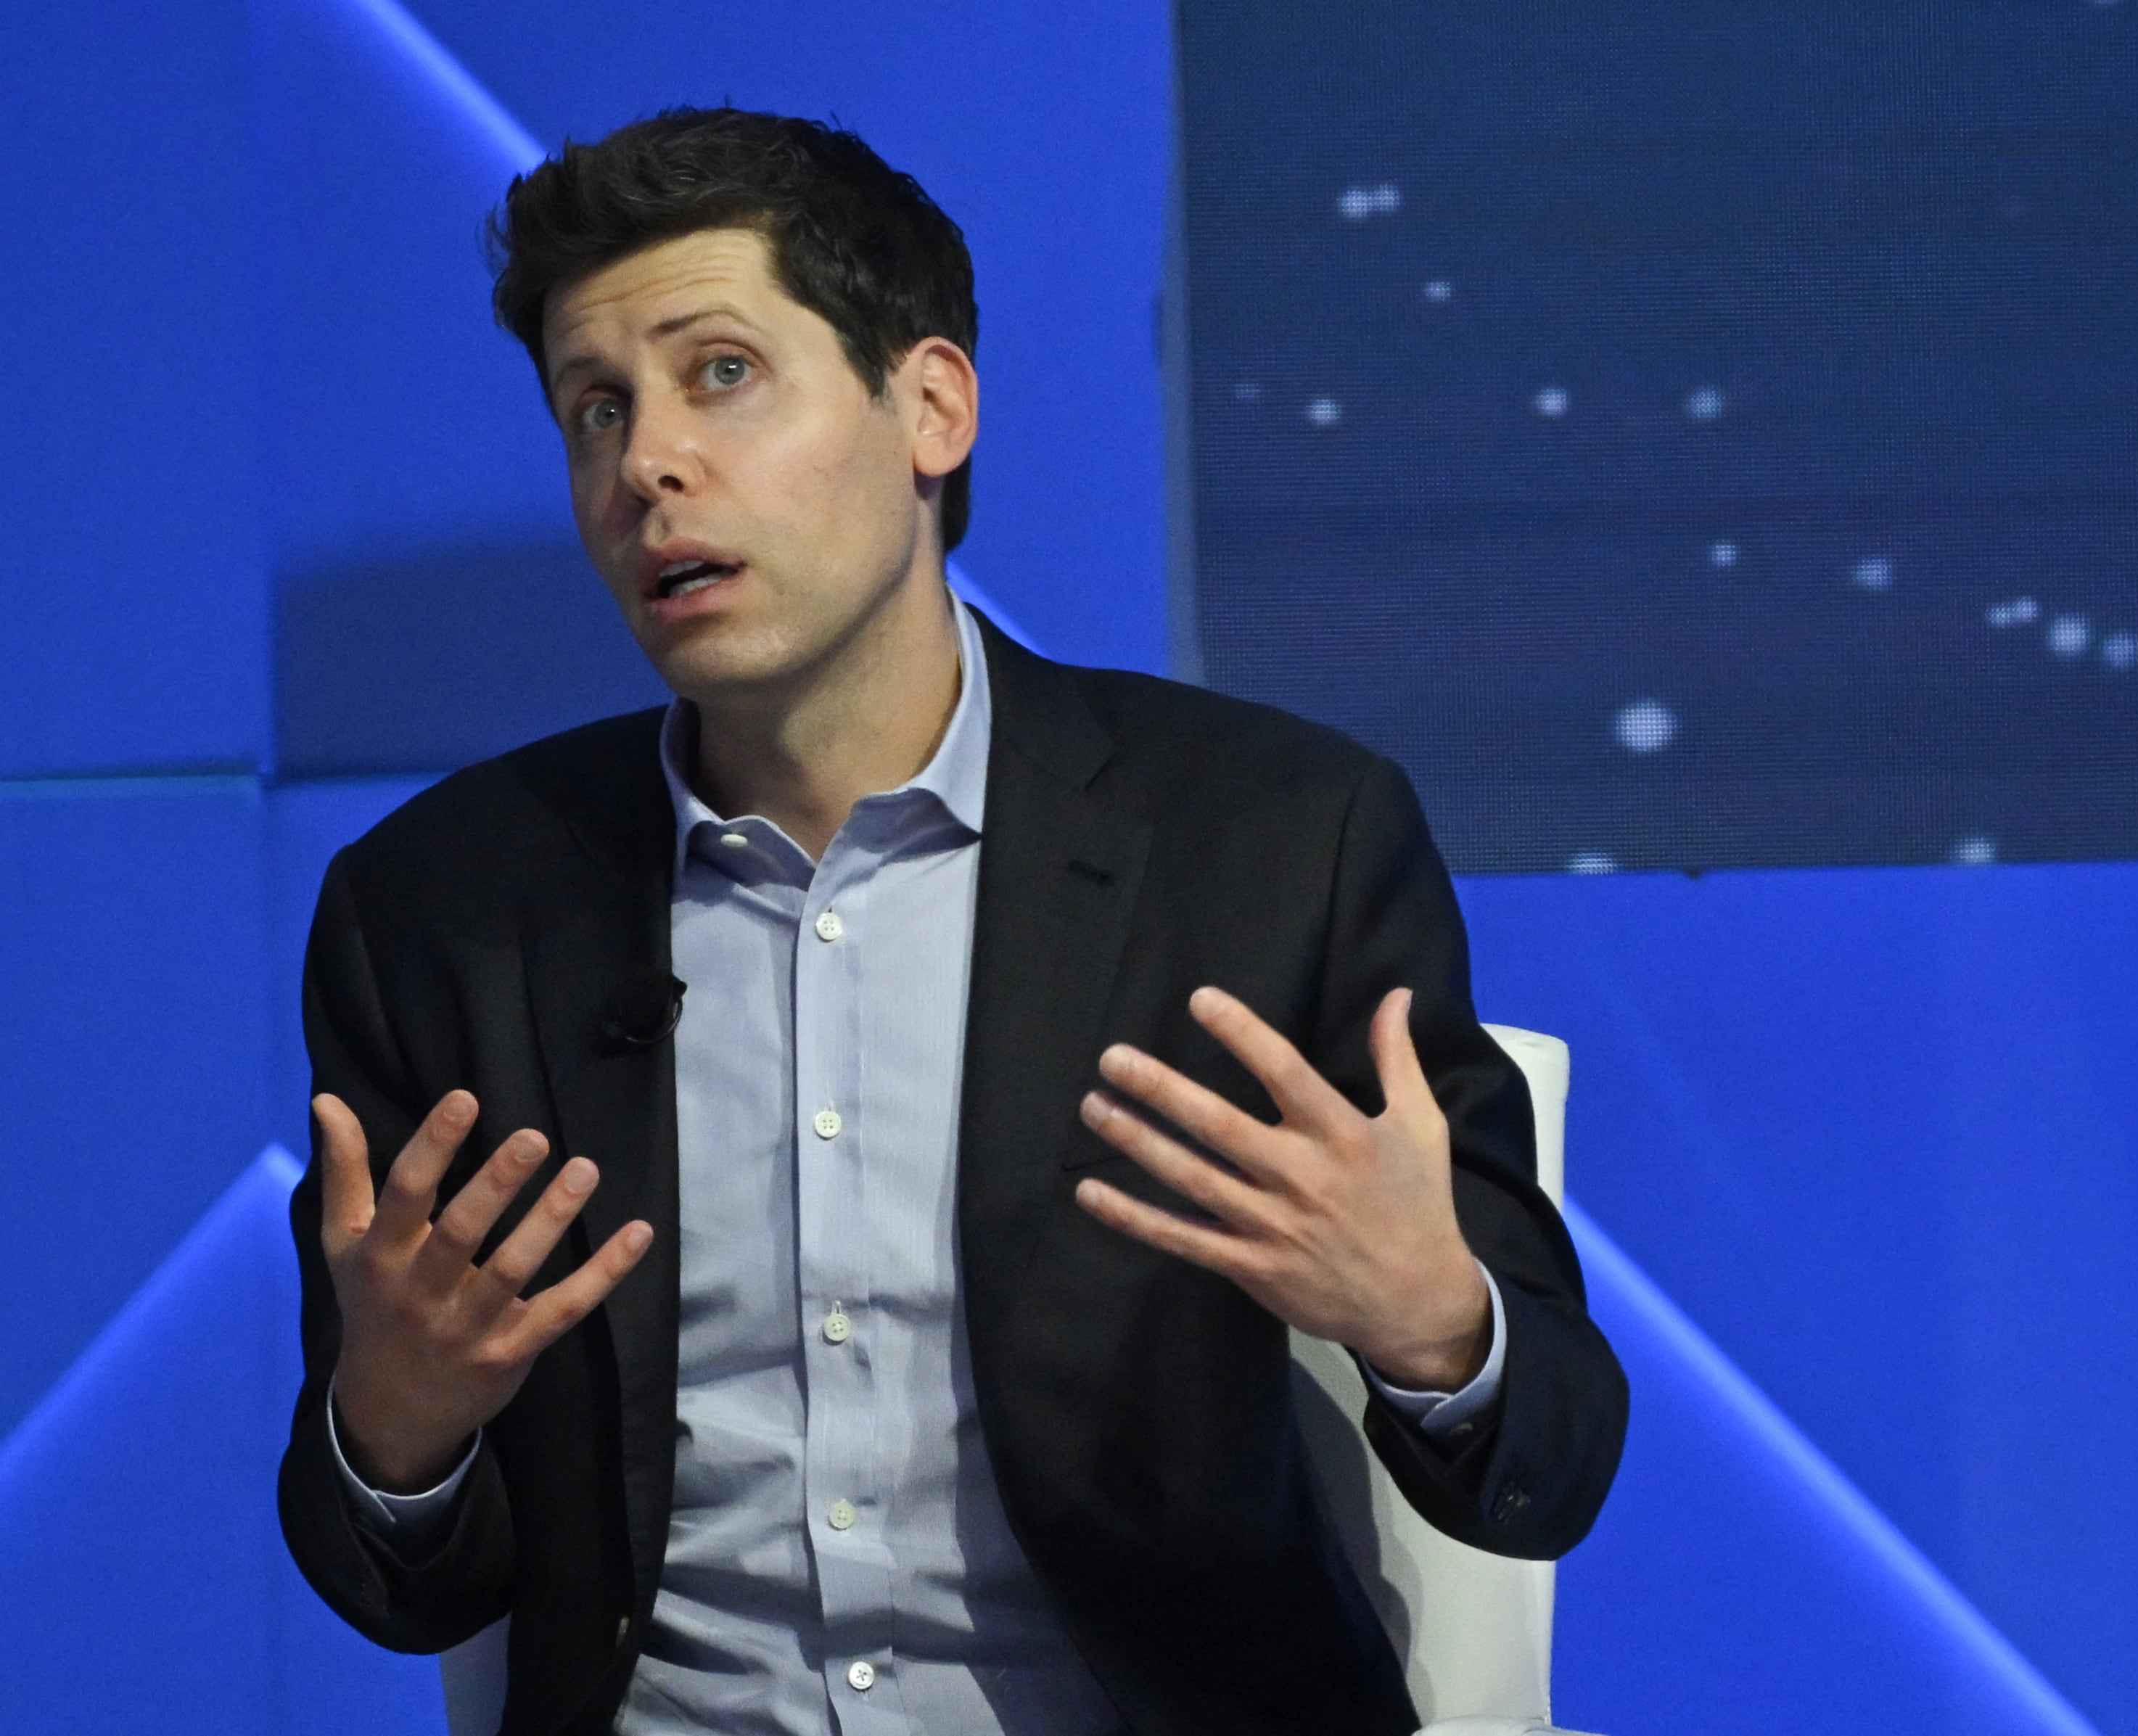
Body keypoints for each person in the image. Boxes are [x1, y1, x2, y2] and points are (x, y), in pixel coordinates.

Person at [276, 108, 1625, 1736]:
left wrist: (1434, 1328)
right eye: (592, 410)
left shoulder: (1276, 845)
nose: (645, 467)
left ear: (930, 406)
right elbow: (393, 1578)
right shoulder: (442, 913)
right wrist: (397, 1432)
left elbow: (1547, 1465)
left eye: (719, 375)